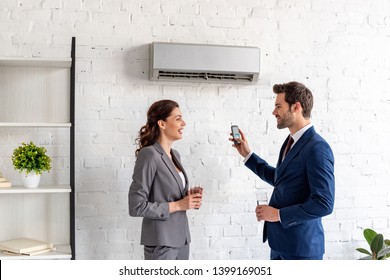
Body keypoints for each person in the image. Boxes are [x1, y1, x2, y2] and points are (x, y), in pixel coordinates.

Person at [230, 81, 335, 260]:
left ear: (296, 107)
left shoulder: (317, 148)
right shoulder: (290, 142)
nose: (274, 112)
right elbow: (281, 179)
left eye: (278, 106)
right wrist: (247, 155)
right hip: (280, 245)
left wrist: (278, 215)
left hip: (301, 250)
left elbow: (324, 203)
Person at [128, 99, 202, 260]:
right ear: (162, 124)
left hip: (181, 240)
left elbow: (167, 194)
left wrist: (188, 199)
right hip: (161, 243)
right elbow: (136, 206)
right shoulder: (149, 155)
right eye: (178, 118)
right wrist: (179, 205)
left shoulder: (175, 155)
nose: (184, 123)